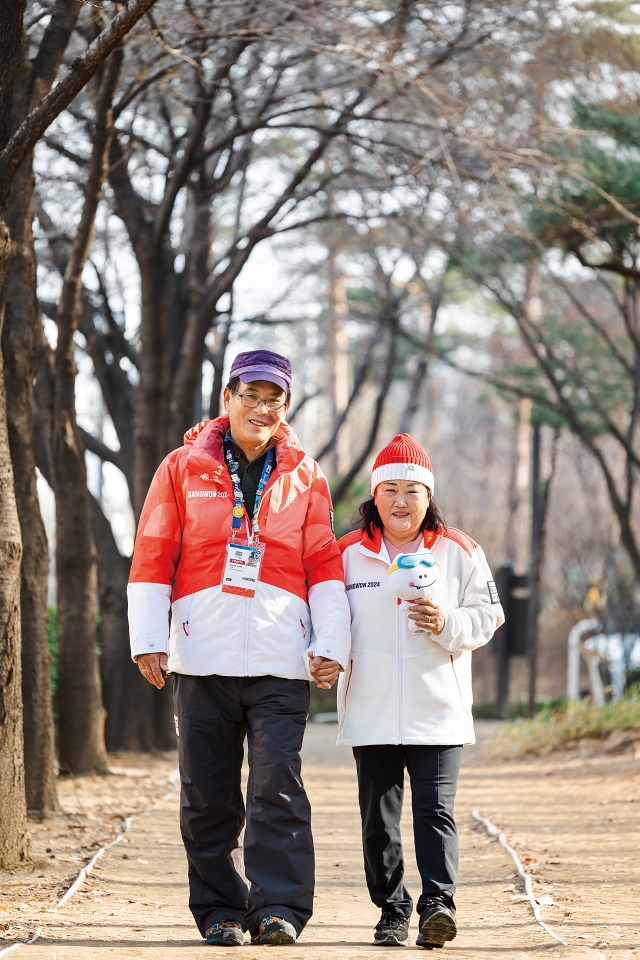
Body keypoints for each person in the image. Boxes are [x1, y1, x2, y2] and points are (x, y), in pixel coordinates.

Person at [128, 349, 351, 947]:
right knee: (207, 791)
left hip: (283, 657)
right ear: (228, 398)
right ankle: (221, 910)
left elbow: (324, 561)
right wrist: (149, 640)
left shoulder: (307, 474)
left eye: (273, 399)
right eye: (249, 396)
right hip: (201, 657)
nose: (260, 408)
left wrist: (331, 641)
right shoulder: (181, 467)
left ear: (285, 408)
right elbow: (154, 553)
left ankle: (279, 908)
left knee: (277, 783)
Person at [337, 434, 504, 949]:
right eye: (391, 490)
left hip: (439, 708)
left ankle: (438, 905)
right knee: (378, 822)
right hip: (370, 708)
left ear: (429, 497)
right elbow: (323, 620)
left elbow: (489, 614)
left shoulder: (459, 550)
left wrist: (448, 621)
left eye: (413, 491)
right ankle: (391, 911)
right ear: (374, 496)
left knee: (435, 812)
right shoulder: (346, 554)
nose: (401, 502)